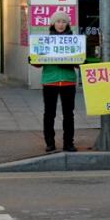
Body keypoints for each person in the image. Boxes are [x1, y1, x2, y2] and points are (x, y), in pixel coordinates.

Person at [37, 11, 79, 153]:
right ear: (53, 24)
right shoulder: (45, 40)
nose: (61, 24)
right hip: (50, 81)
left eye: (64, 21)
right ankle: (50, 143)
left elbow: (79, 63)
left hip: (68, 81)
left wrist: (80, 60)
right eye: (58, 21)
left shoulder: (74, 41)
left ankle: (68, 143)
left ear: (67, 24)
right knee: (49, 114)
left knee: (69, 114)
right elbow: (38, 62)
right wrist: (32, 59)